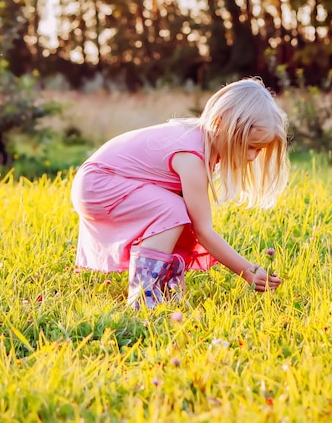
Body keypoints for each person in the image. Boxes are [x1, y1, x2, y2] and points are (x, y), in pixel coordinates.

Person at [71, 77, 290, 309]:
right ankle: (144, 296)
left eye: (259, 149)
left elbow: (192, 224)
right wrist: (248, 270)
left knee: (180, 214)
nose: (251, 157)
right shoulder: (191, 156)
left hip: (100, 181)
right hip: (99, 183)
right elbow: (203, 230)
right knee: (172, 210)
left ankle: (167, 289)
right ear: (222, 124)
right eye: (248, 146)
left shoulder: (200, 142)